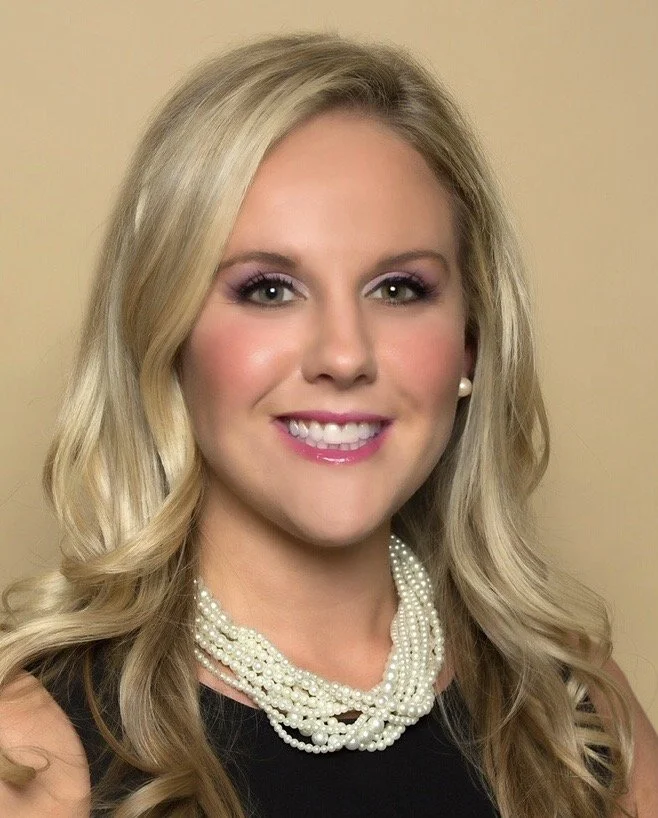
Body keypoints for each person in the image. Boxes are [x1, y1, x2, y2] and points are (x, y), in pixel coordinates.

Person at [0, 31, 656, 818]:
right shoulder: (31, 753)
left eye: (400, 288)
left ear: (472, 341)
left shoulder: (575, 716)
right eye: (270, 290)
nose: (344, 355)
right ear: (164, 334)